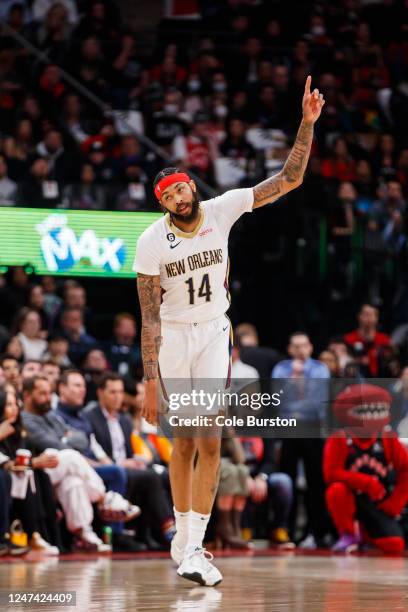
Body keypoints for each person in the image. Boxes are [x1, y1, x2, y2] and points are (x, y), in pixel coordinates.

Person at [134, 77, 325, 585]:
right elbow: (148, 318)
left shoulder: (221, 209)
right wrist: (150, 382)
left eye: (181, 187)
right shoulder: (151, 242)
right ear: (162, 204)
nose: (177, 196)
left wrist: (305, 124)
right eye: (167, 194)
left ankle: (194, 546)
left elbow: (288, 179)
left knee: (211, 439)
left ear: (193, 186)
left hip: (214, 332)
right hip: (173, 337)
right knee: (185, 441)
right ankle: (185, 536)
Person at [324, 384, 408, 554]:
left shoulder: (387, 438)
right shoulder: (340, 438)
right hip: (350, 499)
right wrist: (367, 483)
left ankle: (368, 534)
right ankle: (347, 533)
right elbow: (330, 473)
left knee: (394, 544)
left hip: (378, 501)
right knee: (336, 490)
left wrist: (395, 503)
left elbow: (406, 471)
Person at [344, 304, 391, 377]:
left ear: (376, 318)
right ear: (359, 316)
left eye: (372, 315)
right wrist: (358, 361)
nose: (369, 318)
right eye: (366, 314)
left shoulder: (384, 340)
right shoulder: (349, 339)